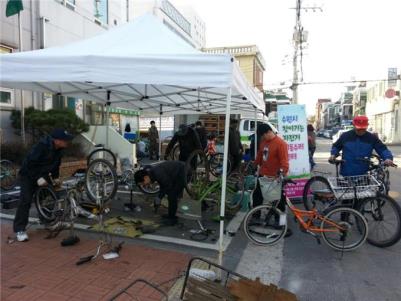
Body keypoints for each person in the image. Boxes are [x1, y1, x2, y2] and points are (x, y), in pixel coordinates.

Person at [13, 128, 74, 242]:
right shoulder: (41, 147)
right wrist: (38, 178)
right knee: (25, 201)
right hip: (28, 175)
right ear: (57, 140)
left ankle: (47, 222)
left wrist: (55, 179)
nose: (67, 142)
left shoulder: (59, 150)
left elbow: (55, 167)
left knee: (48, 199)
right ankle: (19, 230)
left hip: (44, 176)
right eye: (65, 140)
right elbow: (30, 164)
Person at [253, 123, 292, 237]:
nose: (262, 138)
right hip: (263, 175)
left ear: (268, 132)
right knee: (257, 196)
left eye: (263, 135)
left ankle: (281, 222)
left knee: (280, 201)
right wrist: (255, 165)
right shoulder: (264, 142)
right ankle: (255, 216)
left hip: (275, 177)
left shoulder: (281, 144)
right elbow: (260, 155)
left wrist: (282, 174)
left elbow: (284, 162)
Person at [329, 115, 393, 176]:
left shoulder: (372, 138)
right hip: (347, 171)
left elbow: (382, 149)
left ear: (367, 126)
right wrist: (333, 154)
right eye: (359, 129)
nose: (361, 131)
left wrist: (388, 158)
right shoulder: (345, 136)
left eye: (363, 129)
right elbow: (336, 146)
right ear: (354, 125)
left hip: (364, 172)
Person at [134, 161, 187, 226]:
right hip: (176, 174)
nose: (144, 185)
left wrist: (159, 197)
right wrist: (159, 197)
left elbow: (167, 185)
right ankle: (170, 215)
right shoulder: (153, 173)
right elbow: (163, 185)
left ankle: (172, 219)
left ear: (145, 177)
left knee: (172, 195)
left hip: (184, 172)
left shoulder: (157, 173)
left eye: (143, 183)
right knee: (170, 193)